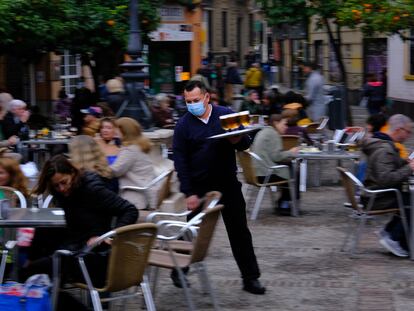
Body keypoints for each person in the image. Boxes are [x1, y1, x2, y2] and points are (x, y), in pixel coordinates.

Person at [173, 80, 265, 295]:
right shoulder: (183, 125)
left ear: (207, 97)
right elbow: (180, 161)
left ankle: (250, 278)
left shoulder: (225, 115)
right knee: (192, 231)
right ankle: (178, 269)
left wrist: (237, 139)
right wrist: (189, 192)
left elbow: (245, 142)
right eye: (188, 102)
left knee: (240, 232)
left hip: (228, 185)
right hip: (200, 187)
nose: (192, 104)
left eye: (196, 100)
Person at [23, 155, 137, 309]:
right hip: (81, 250)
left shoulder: (92, 189)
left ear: (72, 173)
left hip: (98, 256)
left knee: (35, 272)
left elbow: (129, 210)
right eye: (56, 186)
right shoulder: (64, 193)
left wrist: (110, 236)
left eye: (64, 182)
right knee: (41, 244)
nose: (62, 189)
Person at [361, 114, 414, 257]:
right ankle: (395, 239)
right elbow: (386, 178)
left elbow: (388, 168)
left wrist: (405, 163)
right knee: (411, 201)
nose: (409, 136)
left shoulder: (383, 144)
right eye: (408, 132)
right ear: (399, 129)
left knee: (408, 198)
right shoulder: (385, 149)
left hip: (375, 193)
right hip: (376, 197)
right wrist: (409, 169)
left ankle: (390, 231)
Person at [251, 114, 299, 215]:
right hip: (265, 174)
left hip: (254, 173)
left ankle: (283, 201)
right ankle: (286, 204)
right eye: (284, 124)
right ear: (276, 123)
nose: (286, 127)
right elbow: (276, 156)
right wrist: (291, 152)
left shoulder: (263, 131)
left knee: (288, 168)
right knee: (293, 170)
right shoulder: (273, 134)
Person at [110, 117, 158, 211]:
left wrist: (99, 165)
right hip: (144, 191)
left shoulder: (130, 150)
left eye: (117, 129)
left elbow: (115, 171)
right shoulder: (139, 146)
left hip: (134, 196)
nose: (115, 131)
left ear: (124, 131)